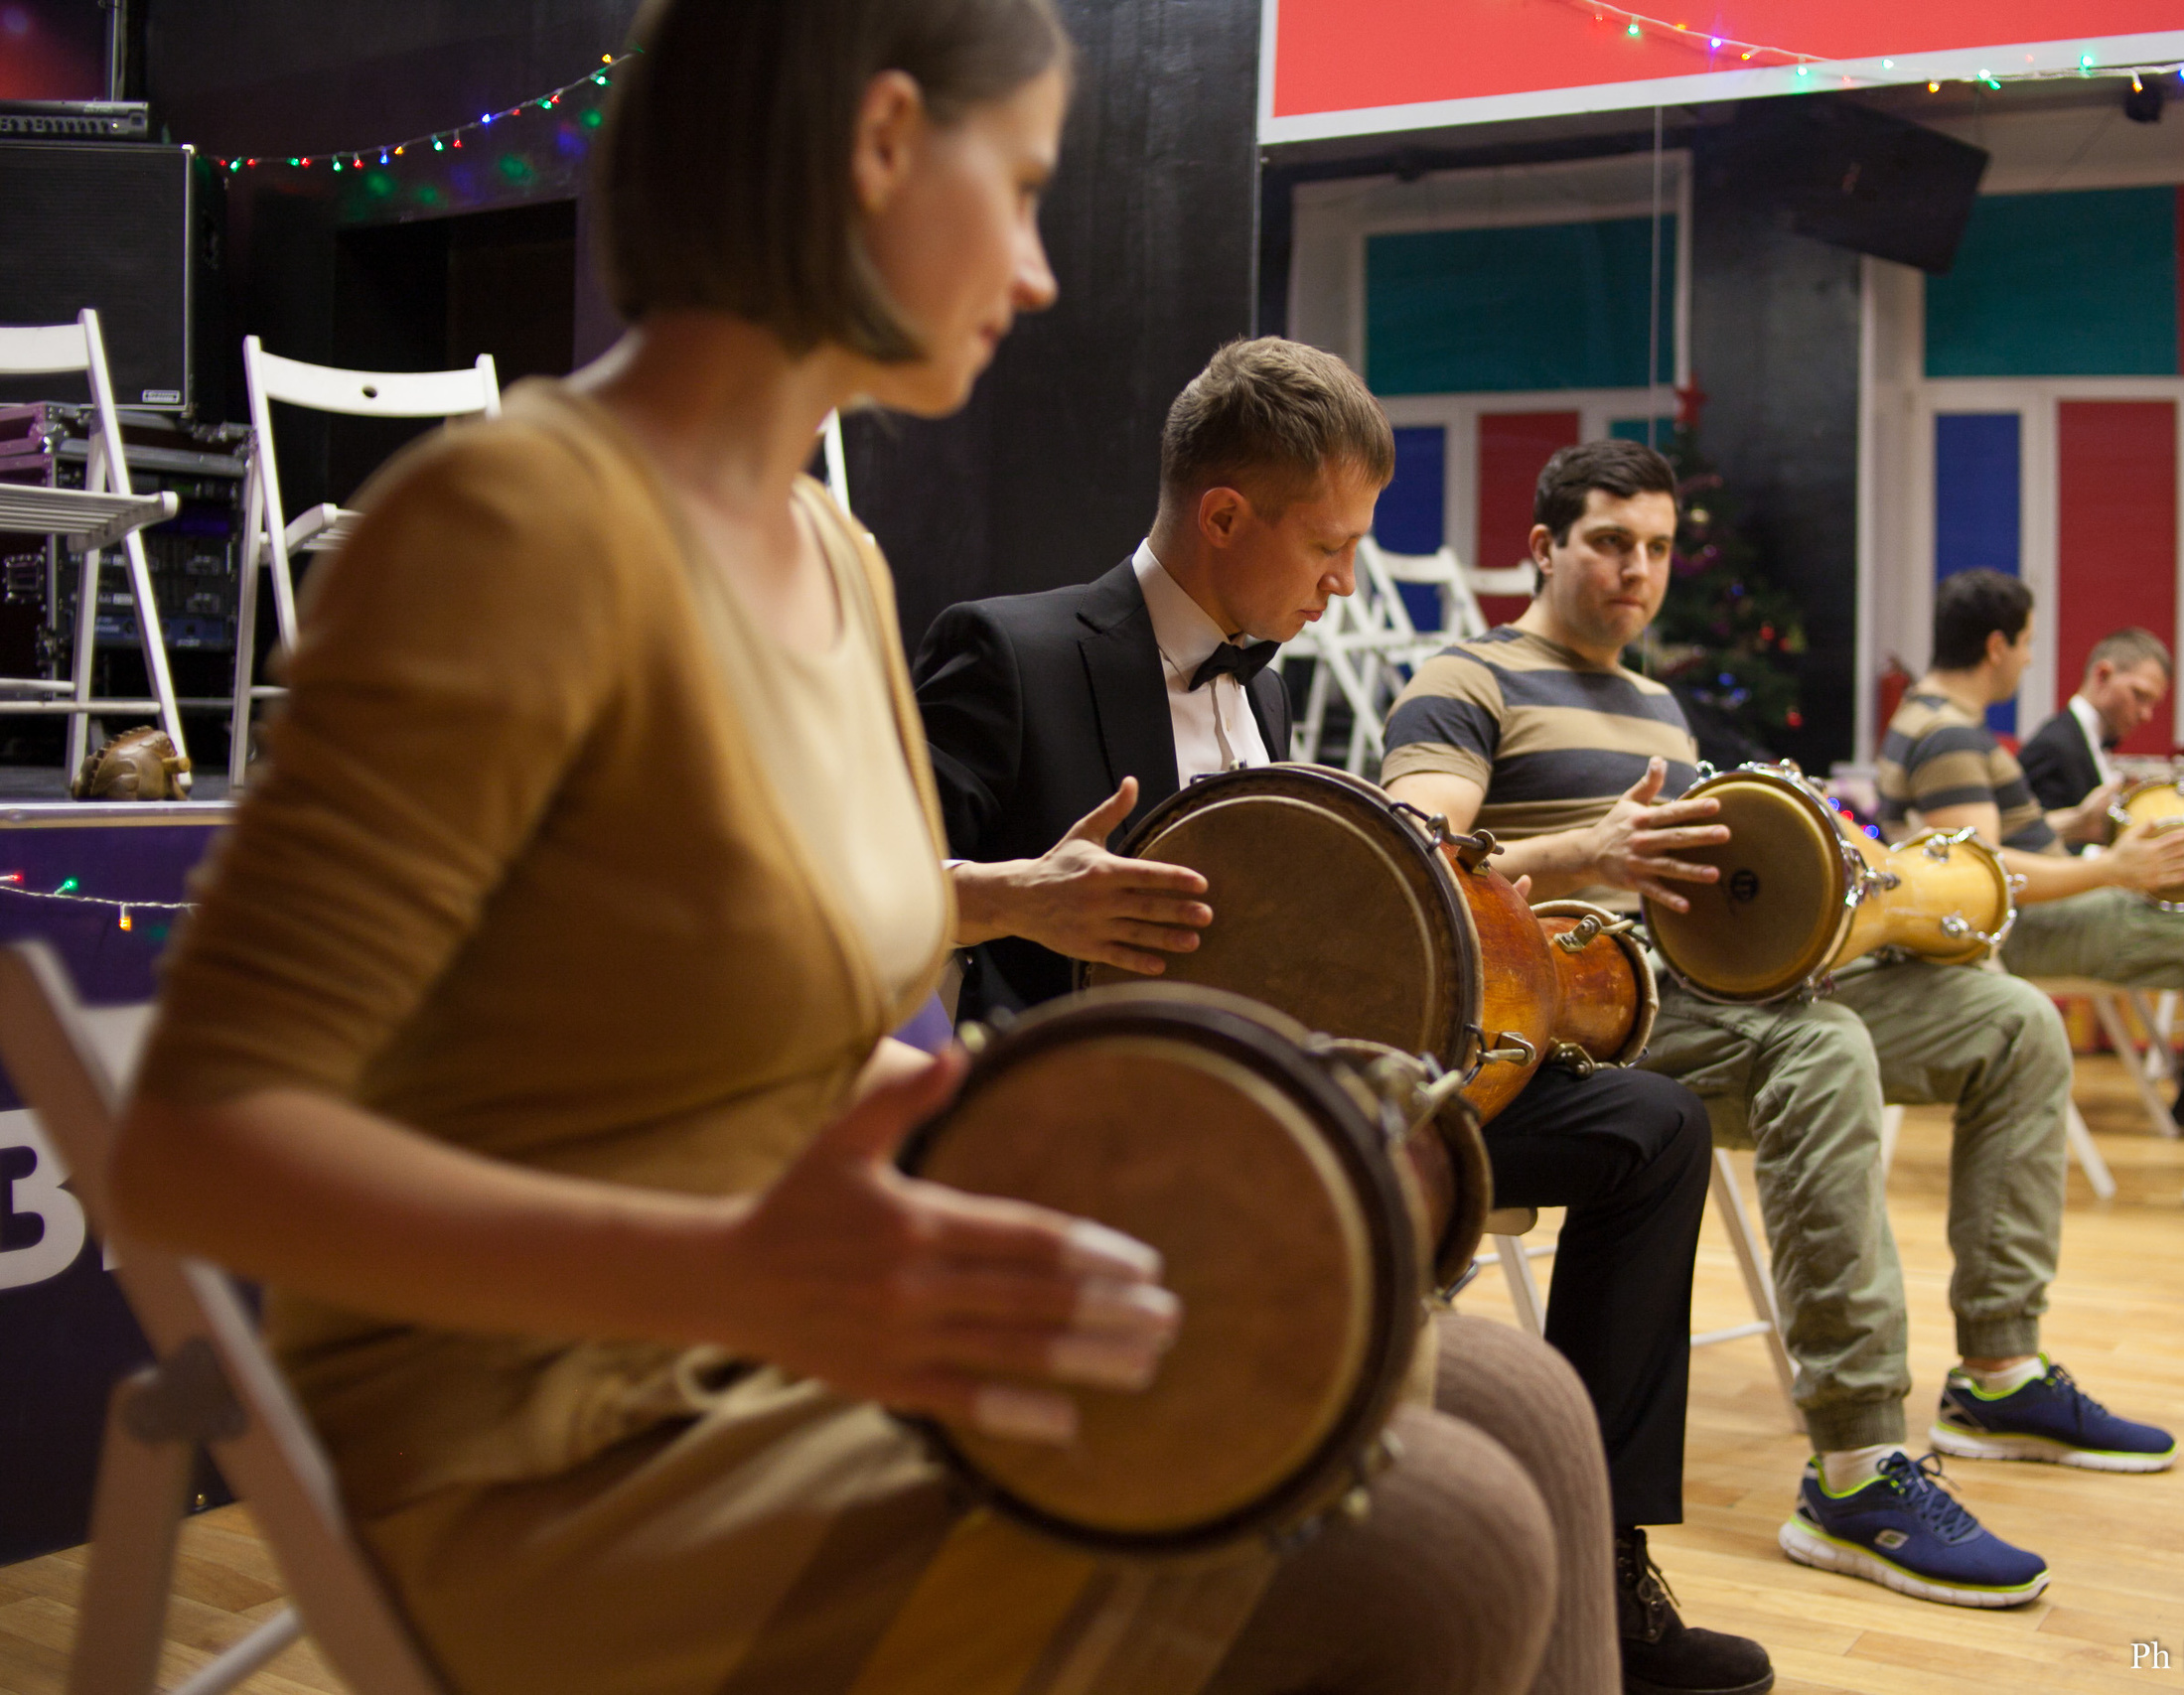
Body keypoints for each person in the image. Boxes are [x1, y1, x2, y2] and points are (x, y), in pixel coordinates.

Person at [105, 8, 1634, 1692]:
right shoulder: (505, 531)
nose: (1041, 271)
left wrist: (1034, 946)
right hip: (560, 1428)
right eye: (1027, 185)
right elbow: (196, 1154)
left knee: (1520, 1401)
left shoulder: (828, 553)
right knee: (1439, 1547)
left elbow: (762, 939)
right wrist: (741, 1272)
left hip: (794, 1324)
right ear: (885, 144)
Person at [917, 342, 1772, 1695]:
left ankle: (1609, 1562)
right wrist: (1024, 896)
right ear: (1224, 518)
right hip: (1136, 1118)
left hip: (1330, 1089)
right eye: (1329, 544)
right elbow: (862, 886)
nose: (1345, 581)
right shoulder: (1013, 649)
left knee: (1651, 1123)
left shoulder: (1255, 684)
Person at [1383, 440, 2174, 1615]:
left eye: (1655, 547)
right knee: (1822, 1050)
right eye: (1608, 542)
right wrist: (1580, 854)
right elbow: (1410, 861)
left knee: (2007, 1022)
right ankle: (1854, 1467)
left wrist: (1838, 874)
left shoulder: (1657, 704)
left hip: (1714, 983)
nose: (1636, 570)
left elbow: (1715, 873)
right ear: (1545, 548)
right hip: (1585, 1009)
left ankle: (1999, 1372)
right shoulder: (1466, 681)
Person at [1878, 570, 2184, 1223]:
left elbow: (1973, 839)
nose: (2031, 657)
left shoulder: (1932, 717)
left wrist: (2075, 823)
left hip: (2033, 913)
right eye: (2028, 642)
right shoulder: (1950, 734)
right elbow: (1979, 875)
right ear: (1995, 647)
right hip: (2020, 928)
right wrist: (2118, 870)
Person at [2016, 627, 2174, 828]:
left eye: (2153, 704)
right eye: (2139, 695)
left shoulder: (2092, 740)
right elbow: (2026, 840)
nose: (2146, 715)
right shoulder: (2054, 746)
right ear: (2102, 675)